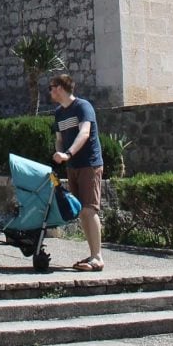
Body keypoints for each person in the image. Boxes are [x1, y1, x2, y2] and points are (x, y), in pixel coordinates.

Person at [50, 73, 104, 271]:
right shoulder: (58, 113)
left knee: (90, 209)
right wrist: (59, 152)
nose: (50, 91)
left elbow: (85, 133)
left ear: (61, 88)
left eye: (52, 87)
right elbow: (59, 137)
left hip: (89, 164)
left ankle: (98, 257)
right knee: (81, 211)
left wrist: (68, 153)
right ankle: (92, 255)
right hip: (72, 166)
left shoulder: (83, 106)